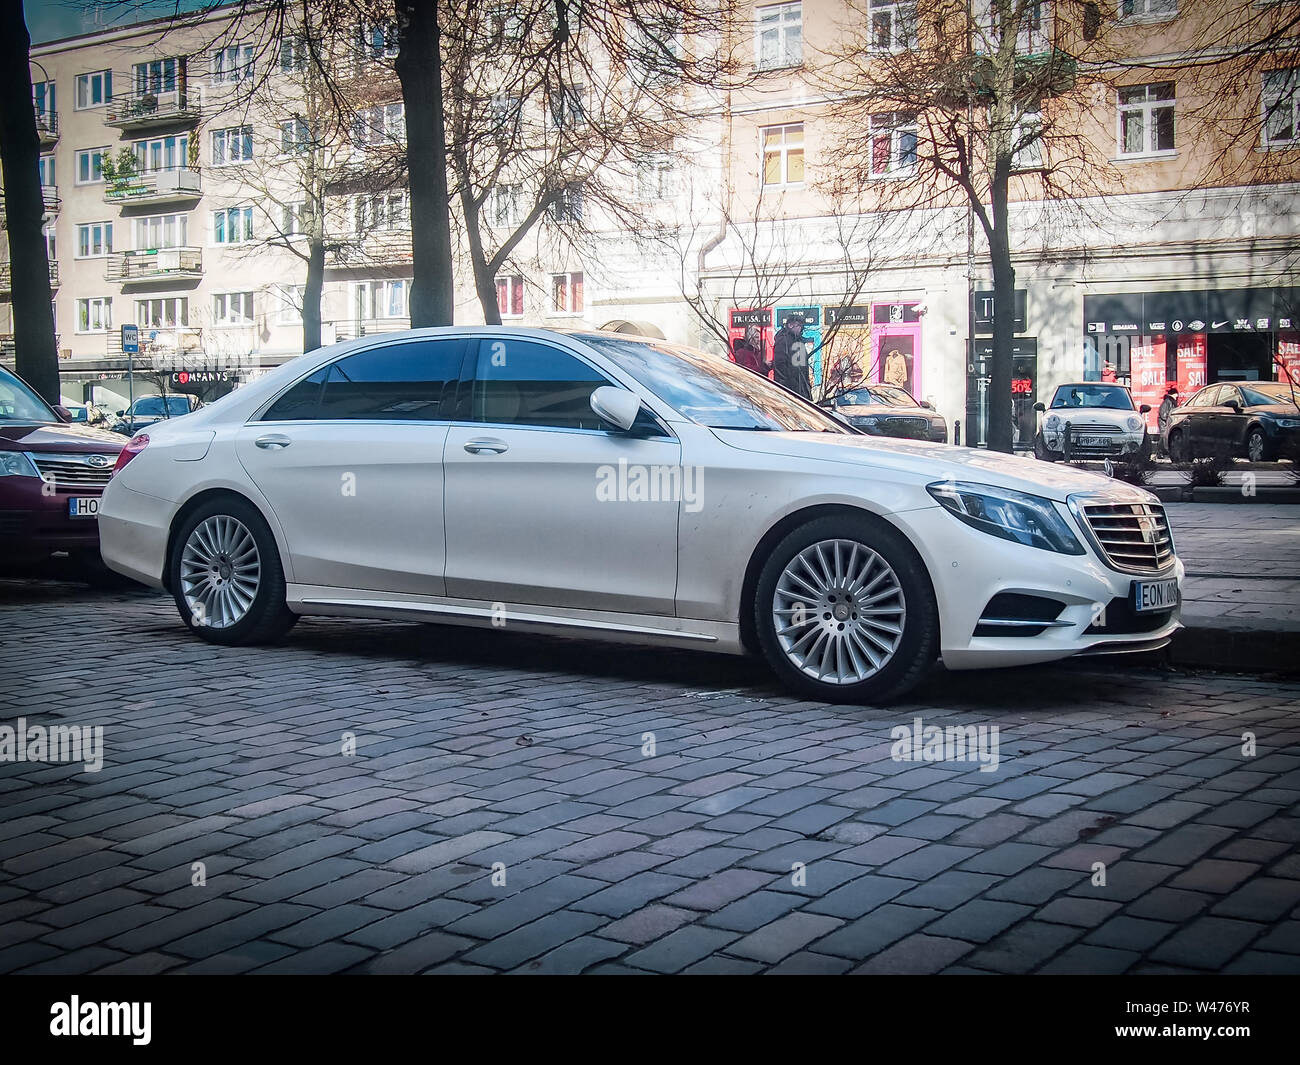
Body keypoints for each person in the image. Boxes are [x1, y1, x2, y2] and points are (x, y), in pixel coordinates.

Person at [770, 313, 812, 399]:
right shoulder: (783, 341)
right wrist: (789, 384)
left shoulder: (799, 341)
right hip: (789, 389)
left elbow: (803, 368)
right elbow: (780, 365)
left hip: (800, 387)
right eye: (798, 325)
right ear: (790, 325)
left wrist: (806, 385)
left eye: (801, 326)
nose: (800, 328)